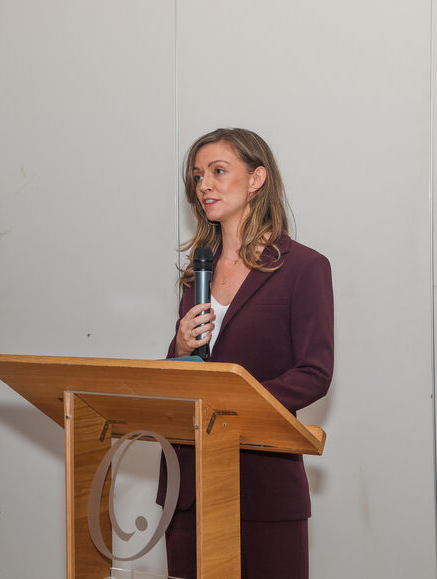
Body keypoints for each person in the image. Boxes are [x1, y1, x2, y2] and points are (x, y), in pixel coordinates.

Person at [158, 128, 333, 578]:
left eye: (218, 172)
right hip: (190, 483)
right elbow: (185, 376)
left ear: (257, 179)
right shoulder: (196, 271)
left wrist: (234, 403)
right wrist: (178, 349)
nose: (204, 186)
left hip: (263, 481)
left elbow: (313, 372)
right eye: (197, 176)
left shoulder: (303, 268)